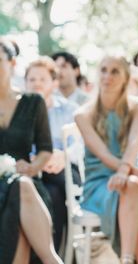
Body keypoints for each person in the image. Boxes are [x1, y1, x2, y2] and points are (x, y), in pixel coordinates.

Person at [75, 55, 138, 264]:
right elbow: (102, 154)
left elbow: (134, 143)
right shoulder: (83, 114)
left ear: (126, 77)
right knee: (134, 185)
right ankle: (127, 260)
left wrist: (125, 171)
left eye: (114, 71)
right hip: (99, 183)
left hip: (128, 176)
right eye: (103, 70)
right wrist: (130, 171)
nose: (107, 76)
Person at [0, 38, 62, 264]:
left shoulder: (33, 102)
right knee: (17, 201)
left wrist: (33, 167)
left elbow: (45, 149)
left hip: (27, 182)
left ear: (12, 63)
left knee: (22, 187)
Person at [24, 56, 79, 253]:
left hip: (62, 169)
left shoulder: (70, 110)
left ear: (54, 83)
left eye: (42, 79)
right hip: (32, 172)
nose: (37, 83)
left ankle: (54, 254)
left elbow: (79, 144)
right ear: (25, 83)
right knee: (52, 194)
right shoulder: (19, 111)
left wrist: (63, 156)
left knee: (56, 193)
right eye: (32, 79)